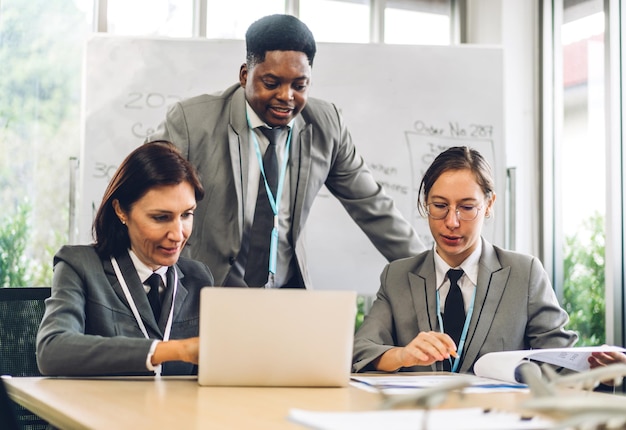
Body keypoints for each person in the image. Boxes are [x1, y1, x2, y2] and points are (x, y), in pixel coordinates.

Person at [146, 14, 425, 289]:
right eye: (271, 83)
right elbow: (144, 196)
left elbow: (375, 208)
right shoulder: (191, 121)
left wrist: (431, 274)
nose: (286, 96)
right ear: (245, 75)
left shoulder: (326, 125)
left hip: (284, 294)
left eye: (299, 85)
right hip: (202, 293)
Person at [352, 146, 578, 374]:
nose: (451, 222)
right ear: (425, 203)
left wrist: (603, 372)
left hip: (496, 409)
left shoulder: (524, 273)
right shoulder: (397, 277)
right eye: (440, 206)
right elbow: (361, 351)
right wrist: (402, 355)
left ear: (489, 204)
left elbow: (562, 362)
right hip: (420, 409)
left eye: (467, 207)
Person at [37, 141, 213, 376]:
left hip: (179, 412)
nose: (177, 234)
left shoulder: (197, 277)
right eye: (161, 217)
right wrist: (168, 350)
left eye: (186, 215)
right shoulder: (80, 265)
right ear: (121, 211)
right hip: (102, 411)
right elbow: (52, 351)